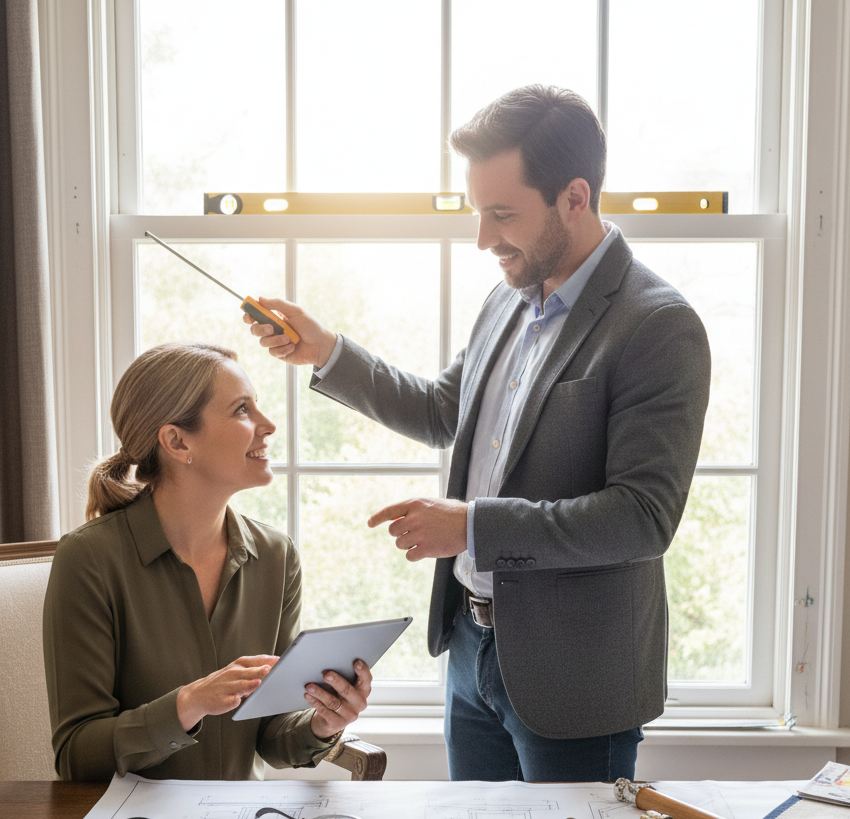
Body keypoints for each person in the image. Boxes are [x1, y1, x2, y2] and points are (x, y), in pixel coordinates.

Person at [245, 85, 711, 783]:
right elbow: (442, 410)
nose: (483, 238)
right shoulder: (508, 297)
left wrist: (471, 529)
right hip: (471, 653)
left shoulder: (657, 326)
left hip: (574, 681)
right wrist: (326, 352)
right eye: (477, 212)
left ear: (575, 198)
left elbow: (641, 519)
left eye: (502, 214)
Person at [44, 342, 372, 782]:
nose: (268, 425)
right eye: (241, 410)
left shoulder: (276, 556)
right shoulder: (88, 560)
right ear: (177, 441)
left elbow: (272, 738)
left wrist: (322, 723)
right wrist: (189, 703)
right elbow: (76, 757)